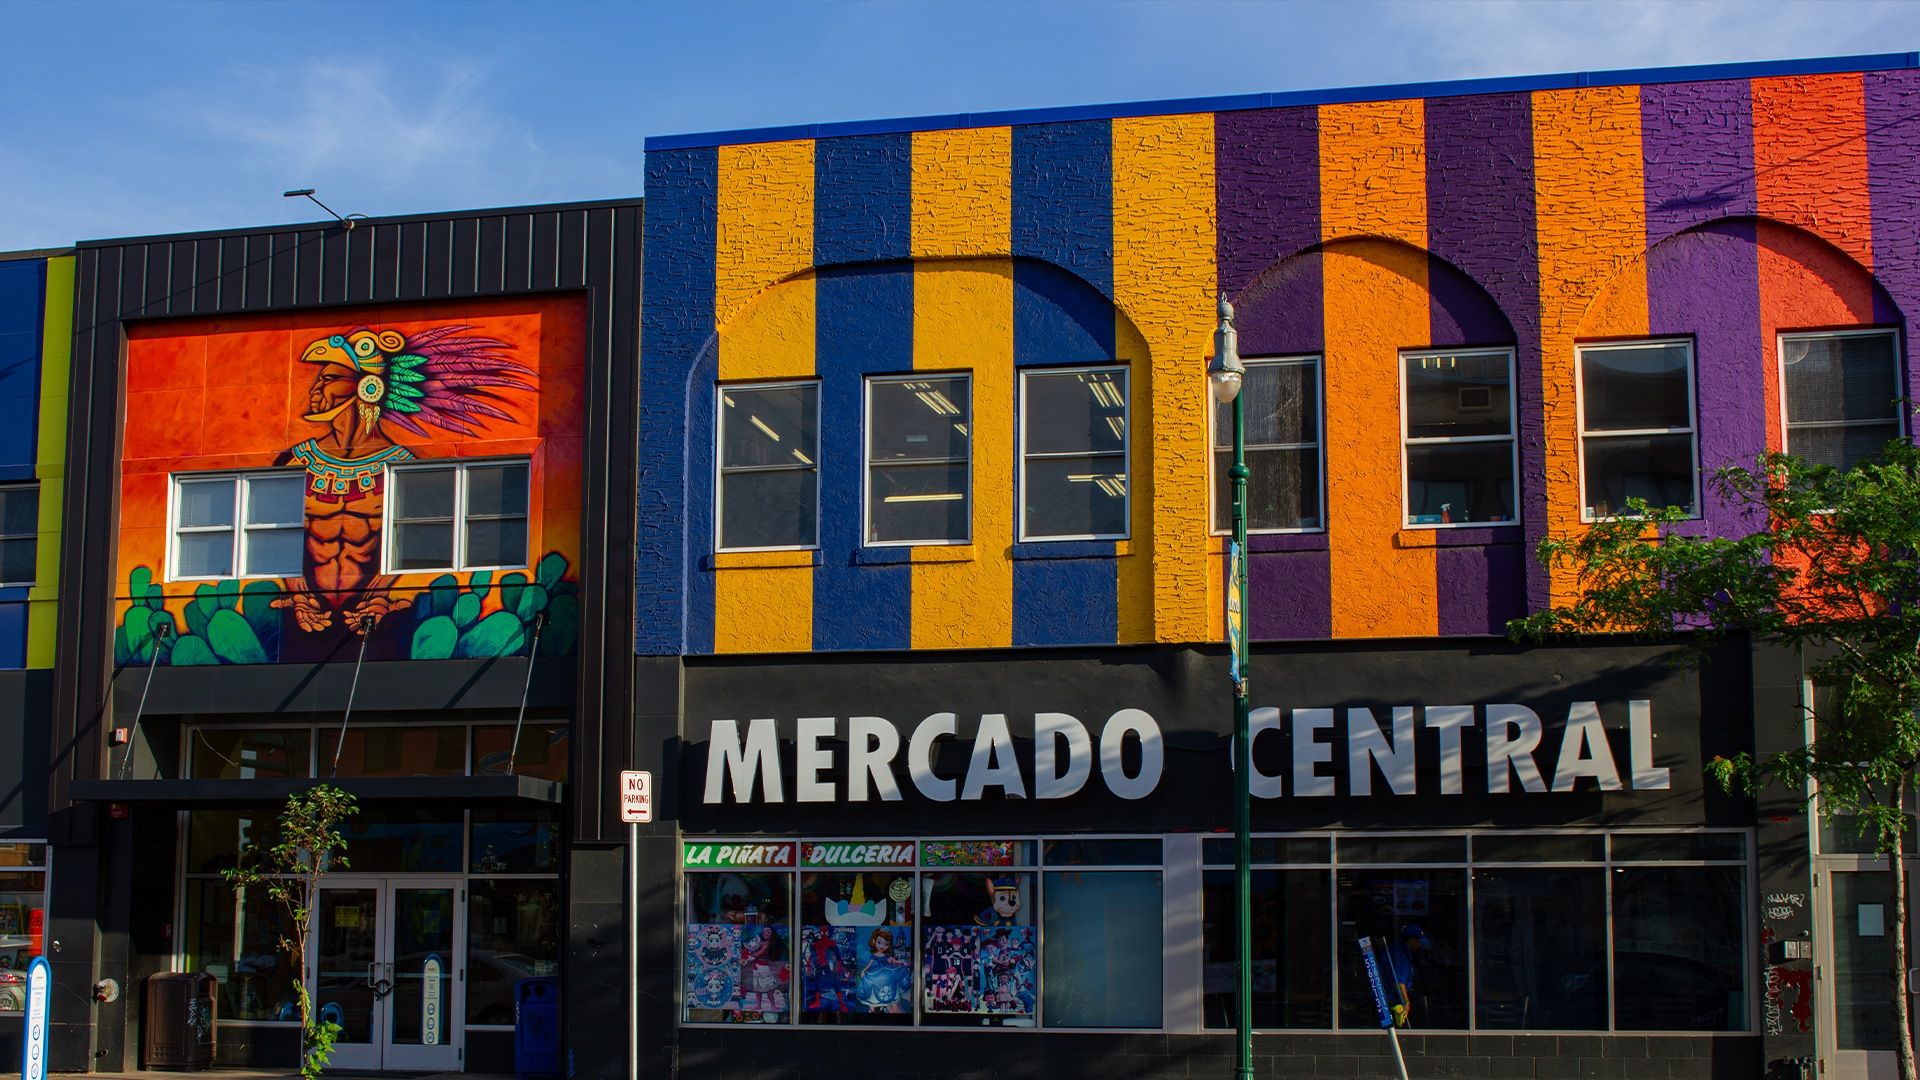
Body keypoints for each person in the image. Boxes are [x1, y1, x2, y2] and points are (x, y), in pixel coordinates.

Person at [1386, 923, 1430, 1027]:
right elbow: (1399, 983)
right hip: (1393, 1001)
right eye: (1418, 941)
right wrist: (1406, 1003)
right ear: (1411, 940)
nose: (1419, 945)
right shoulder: (1401, 955)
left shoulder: (1398, 950)